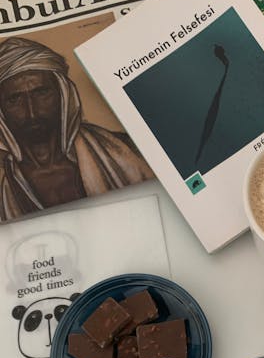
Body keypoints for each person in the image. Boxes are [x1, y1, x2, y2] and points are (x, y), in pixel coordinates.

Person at [0, 37, 154, 221]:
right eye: (14, 100)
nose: (31, 112)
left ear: (63, 95)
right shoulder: (6, 177)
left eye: (41, 93)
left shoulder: (123, 151)